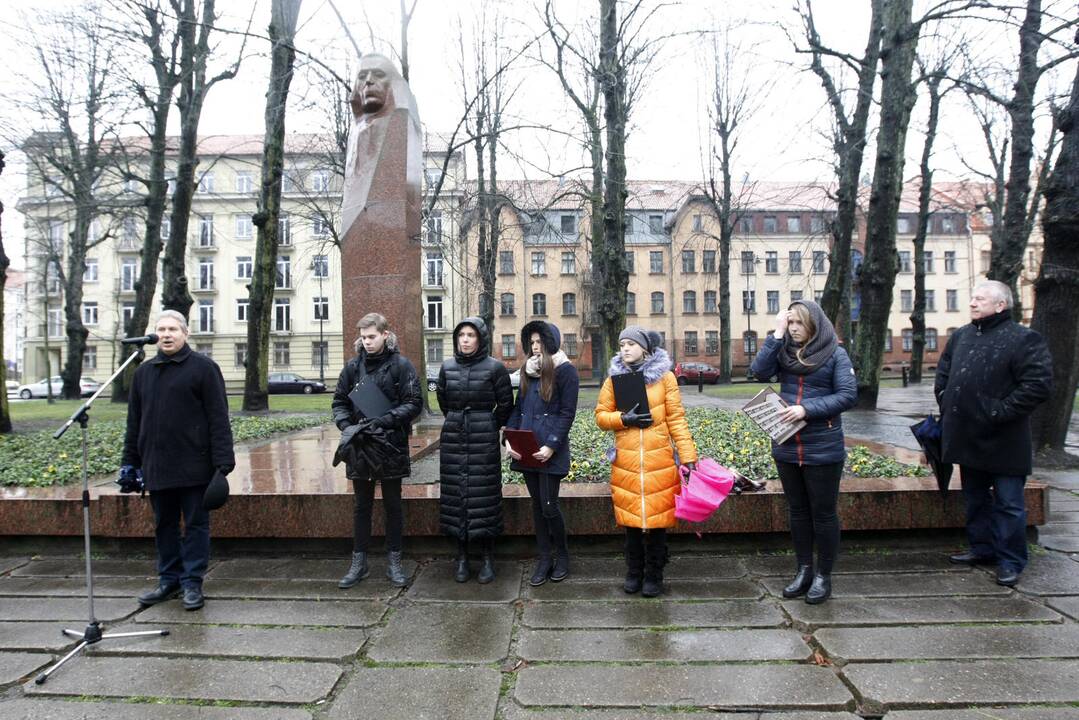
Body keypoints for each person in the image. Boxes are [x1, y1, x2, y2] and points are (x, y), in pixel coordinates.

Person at [935, 280, 1052, 587]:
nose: (972, 303)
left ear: (1001, 305)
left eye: (980, 299)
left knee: (1009, 502)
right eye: (972, 298)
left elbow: (1038, 385)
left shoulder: (1024, 338)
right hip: (967, 435)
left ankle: (1011, 560)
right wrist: (945, 398)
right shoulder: (962, 335)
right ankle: (982, 548)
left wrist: (999, 411)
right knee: (975, 498)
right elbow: (944, 372)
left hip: (1004, 439)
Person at [123, 310, 234, 611]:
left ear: (185, 333)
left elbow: (218, 418)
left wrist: (223, 464)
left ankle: (192, 583)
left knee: (196, 525)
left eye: (173, 329)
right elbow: (135, 422)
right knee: (164, 525)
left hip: (195, 466)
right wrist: (129, 462)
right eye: (161, 329)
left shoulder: (204, 368)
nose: (167, 334)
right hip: (157, 466)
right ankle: (168, 579)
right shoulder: (144, 373)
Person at [751, 300, 857, 605]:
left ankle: (824, 576)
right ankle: (804, 570)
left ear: (814, 324)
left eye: (798, 323)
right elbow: (759, 372)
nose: (794, 328)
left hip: (822, 446)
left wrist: (805, 409)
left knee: (823, 514)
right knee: (797, 512)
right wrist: (776, 333)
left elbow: (848, 395)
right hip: (786, 444)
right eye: (791, 323)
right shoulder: (784, 351)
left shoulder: (835, 353)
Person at [595, 326, 697, 598]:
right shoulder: (613, 380)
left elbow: (676, 418)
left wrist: (688, 457)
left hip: (659, 461)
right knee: (630, 522)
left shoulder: (665, 379)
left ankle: (654, 573)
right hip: (626, 461)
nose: (625, 349)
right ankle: (634, 571)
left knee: (658, 522)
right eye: (621, 344)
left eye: (630, 344)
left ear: (645, 349)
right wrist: (623, 419)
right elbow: (601, 416)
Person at [332, 313, 422, 589]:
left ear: (385, 334)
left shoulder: (401, 366)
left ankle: (394, 561)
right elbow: (339, 402)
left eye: (372, 336)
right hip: (360, 444)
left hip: (390, 443)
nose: (367, 342)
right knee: (361, 505)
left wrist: (385, 420)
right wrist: (348, 426)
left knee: (393, 504)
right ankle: (359, 562)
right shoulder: (352, 367)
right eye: (363, 337)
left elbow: (414, 403)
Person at [436, 317, 514, 583]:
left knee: (486, 496)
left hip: (483, 436)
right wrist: (458, 418)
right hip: (453, 436)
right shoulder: (447, 368)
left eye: (471, 335)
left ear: (480, 338)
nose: (465, 340)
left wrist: (490, 423)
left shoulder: (495, 368)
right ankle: (461, 557)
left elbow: (505, 403)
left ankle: (488, 557)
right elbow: (443, 401)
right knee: (455, 495)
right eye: (461, 335)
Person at [504, 321, 580, 586]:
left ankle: (562, 557)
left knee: (549, 506)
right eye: (532, 343)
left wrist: (551, 445)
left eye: (539, 342)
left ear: (550, 342)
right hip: (526, 447)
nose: (535, 348)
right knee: (537, 507)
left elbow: (567, 413)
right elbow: (518, 409)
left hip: (549, 450)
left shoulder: (566, 371)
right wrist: (509, 438)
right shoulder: (527, 371)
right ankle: (544, 558)